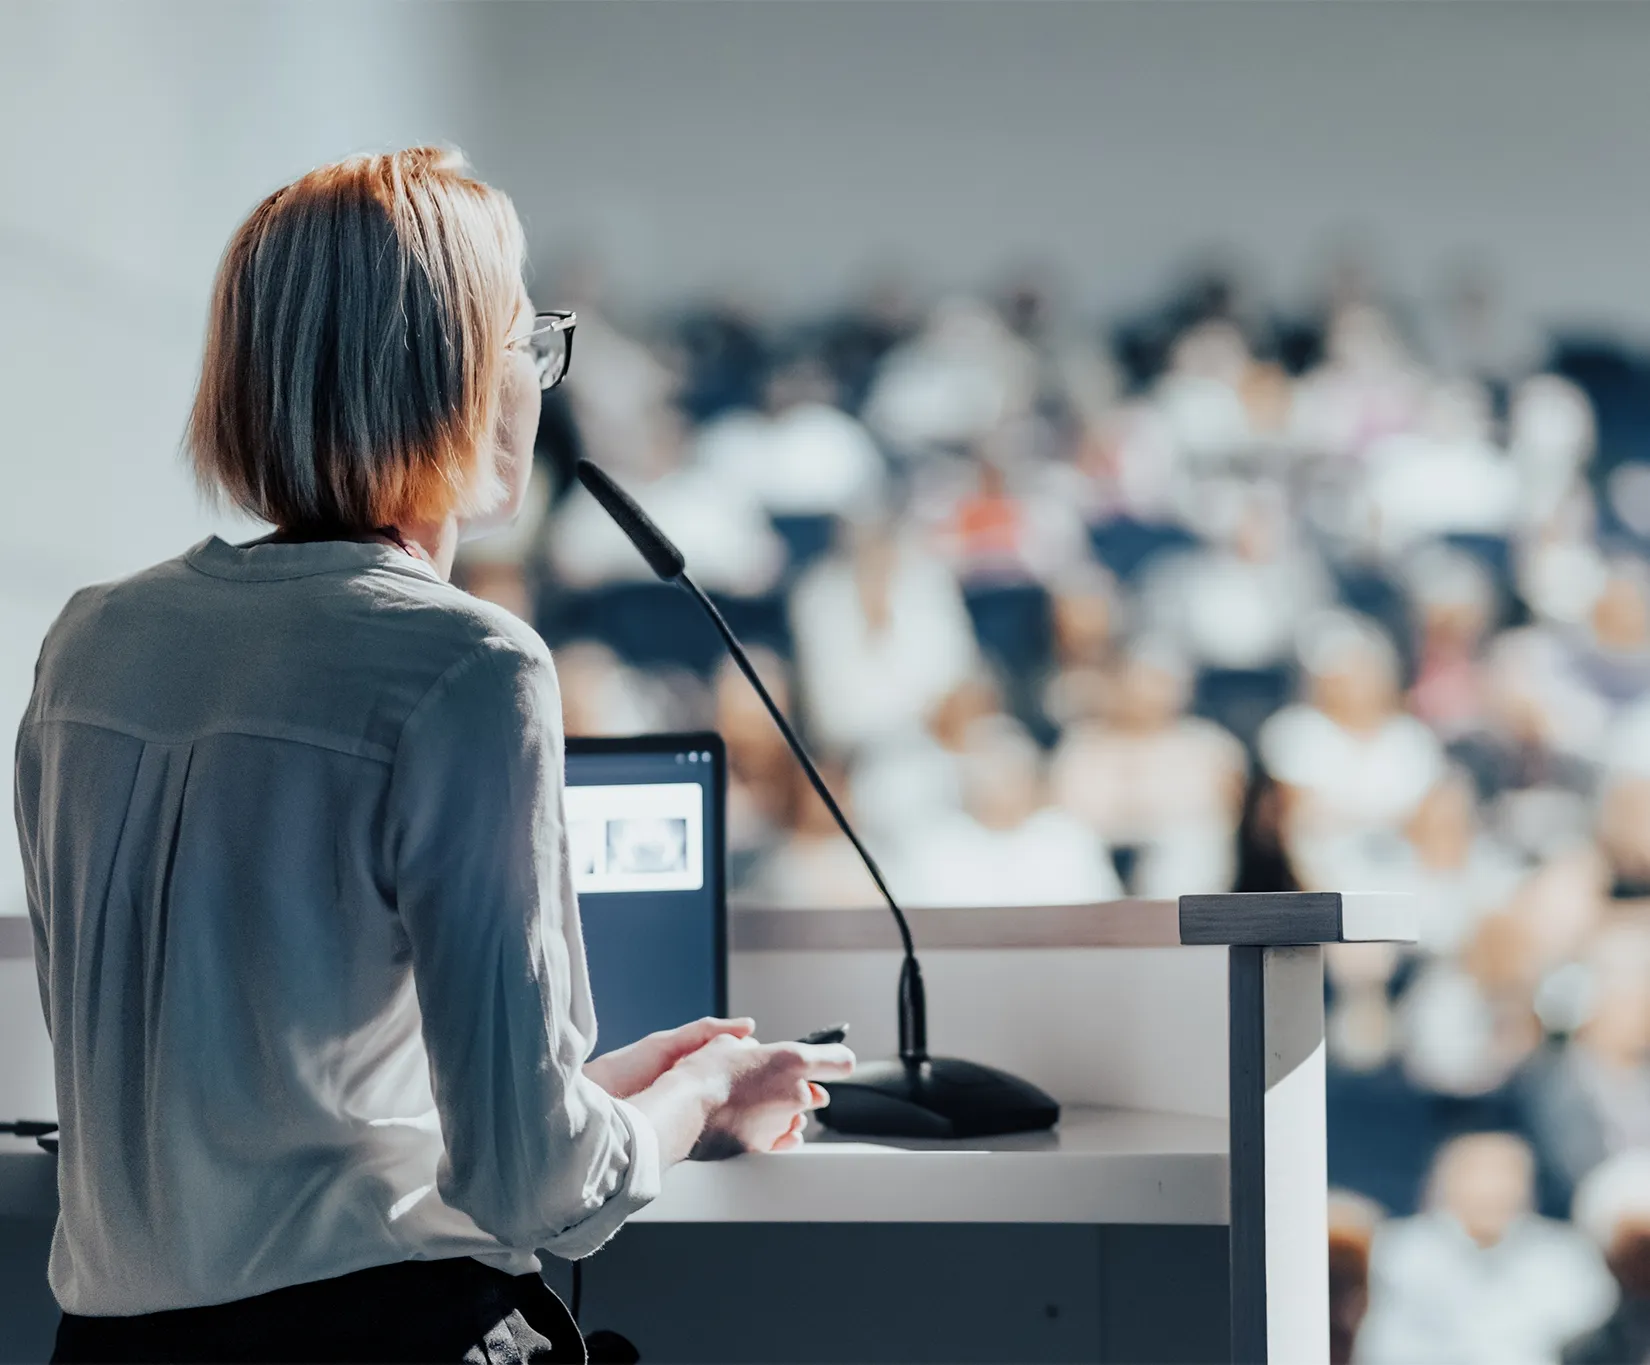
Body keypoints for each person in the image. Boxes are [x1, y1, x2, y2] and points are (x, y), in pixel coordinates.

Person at [16, 148, 853, 1365]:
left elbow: (286, 1130)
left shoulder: (89, 645)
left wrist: (599, 1091)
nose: (540, 381)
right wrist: (699, 1101)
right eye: (529, 341)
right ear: (453, 375)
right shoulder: (468, 669)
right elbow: (538, 1193)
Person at [1356, 1133, 1614, 1365]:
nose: (1491, 1188)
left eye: (1505, 1174)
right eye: (1475, 1173)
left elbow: (1591, 1343)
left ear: (1530, 1187)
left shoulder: (1568, 1256)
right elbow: (1384, 1348)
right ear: (1440, 1183)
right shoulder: (1398, 1253)